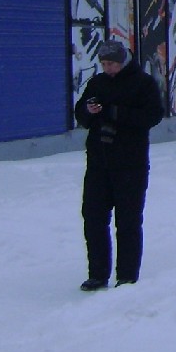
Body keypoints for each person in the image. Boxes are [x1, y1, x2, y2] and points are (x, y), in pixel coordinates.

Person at [73, 39, 164, 291]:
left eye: (112, 63)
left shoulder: (143, 83)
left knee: (128, 222)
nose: (108, 68)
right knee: (93, 218)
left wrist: (114, 112)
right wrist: (88, 111)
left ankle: (126, 275)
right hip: (98, 163)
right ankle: (98, 274)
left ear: (123, 61)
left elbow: (153, 115)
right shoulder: (96, 83)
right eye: (104, 64)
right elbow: (80, 113)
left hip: (130, 164)